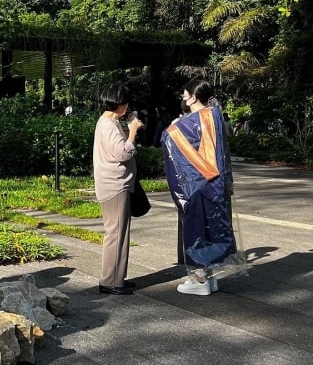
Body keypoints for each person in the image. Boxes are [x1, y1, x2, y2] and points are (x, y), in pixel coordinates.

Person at [160, 78, 246, 295]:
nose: (183, 96)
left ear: (194, 97)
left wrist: (173, 126)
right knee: (213, 228)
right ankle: (210, 278)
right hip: (218, 184)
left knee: (197, 229)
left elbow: (169, 136)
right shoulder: (215, 114)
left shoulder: (199, 118)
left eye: (185, 93)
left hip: (200, 183)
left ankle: (199, 280)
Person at [93, 82, 144, 295]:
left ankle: (117, 278)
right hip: (114, 186)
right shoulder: (107, 125)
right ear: (121, 104)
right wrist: (132, 132)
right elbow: (123, 153)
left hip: (116, 184)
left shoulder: (109, 122)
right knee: (116, 232)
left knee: (120, 232)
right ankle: (110, 282)